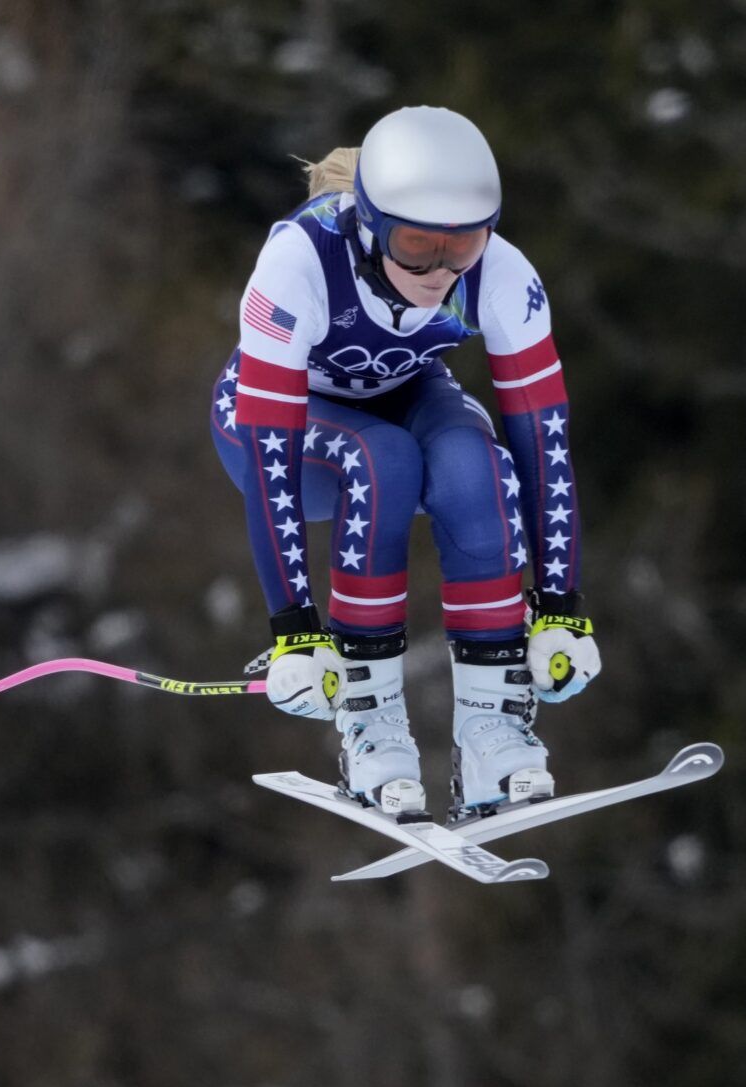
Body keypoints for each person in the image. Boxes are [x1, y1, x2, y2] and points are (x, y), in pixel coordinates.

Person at [210, 105, 602, 819]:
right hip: (277, 430)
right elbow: (272, 451)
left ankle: (494, 731)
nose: (441, 270)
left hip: (406, 393)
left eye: (464, 246)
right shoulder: (299, 262)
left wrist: (560, 610)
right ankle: (371, 722)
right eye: (418, 245)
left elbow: (543, 443)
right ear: (369, 226)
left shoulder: (502, 273)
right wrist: (295, 628)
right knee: (382, 459)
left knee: (471, 465)